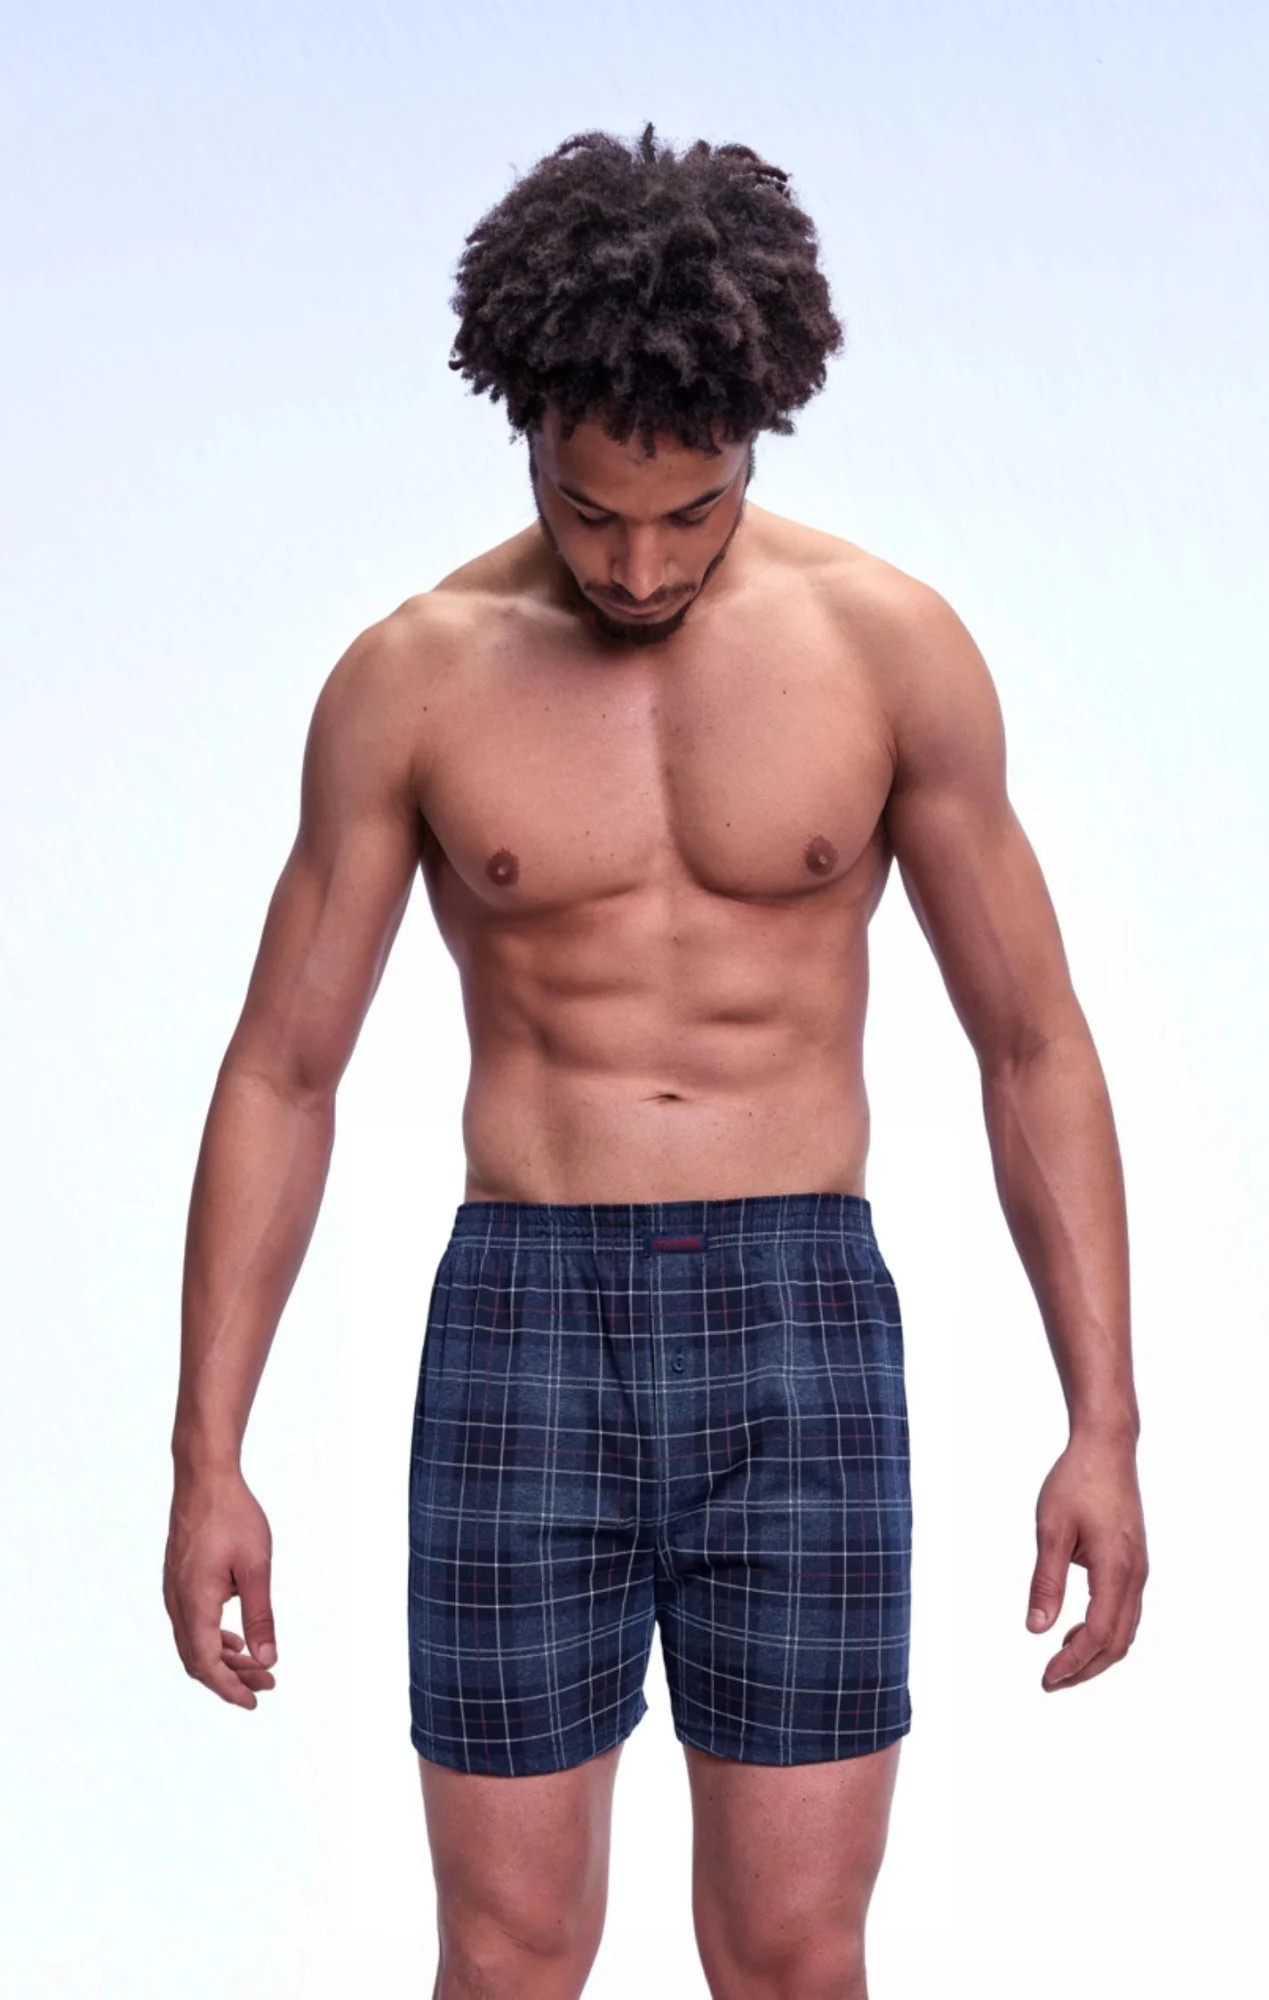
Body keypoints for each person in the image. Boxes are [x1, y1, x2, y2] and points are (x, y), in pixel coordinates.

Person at [163, 123, 1148, 2000]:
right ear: (522, 432)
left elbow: (1031, 1044)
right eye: (585, 509)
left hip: (800, 1320)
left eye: (687, 514)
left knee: (792, 1953)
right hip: (524, 1314)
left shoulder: (887, 651)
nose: (633, 564)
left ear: (756, 436)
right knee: (509, 1954)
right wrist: (207, 1453)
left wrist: (1103, 1423)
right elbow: (281, 1072)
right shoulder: (414, 678)